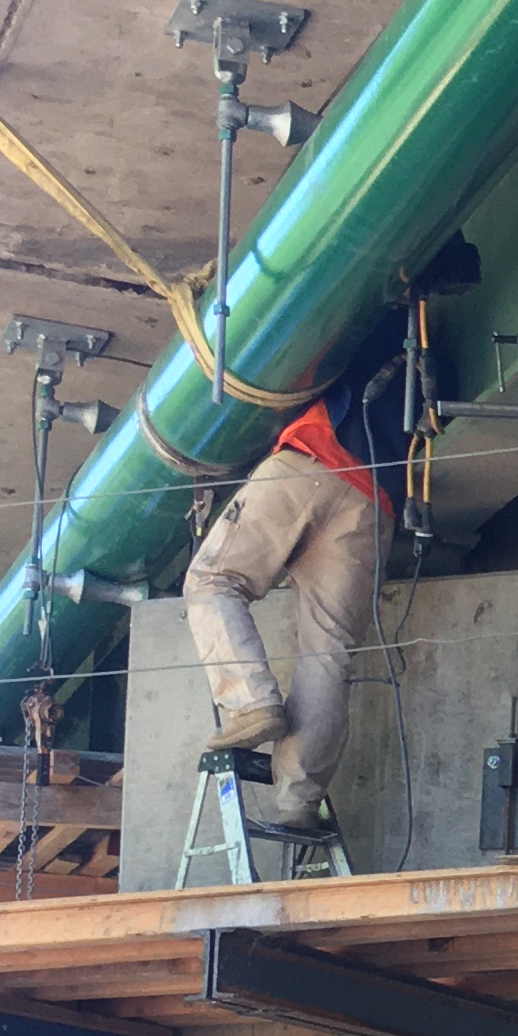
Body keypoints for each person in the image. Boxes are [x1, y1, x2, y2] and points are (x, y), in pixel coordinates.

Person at [182, 317, 417, 819]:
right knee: (328, 650)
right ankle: (298, 801)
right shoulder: (439, 367)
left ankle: (250, 703)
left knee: (213, 579)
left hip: (311, 460)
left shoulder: (370, 324)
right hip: (373, 507)